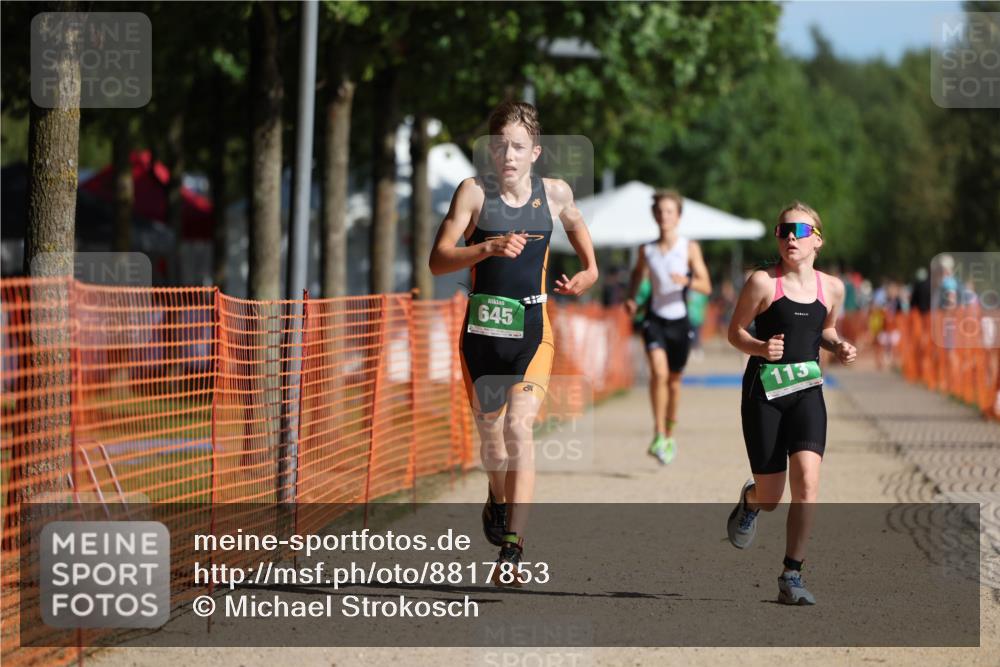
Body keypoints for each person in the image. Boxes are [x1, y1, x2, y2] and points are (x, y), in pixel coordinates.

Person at [428, 101, 598, 584]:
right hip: (481, 335)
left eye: (518, 147)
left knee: (519, 430)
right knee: (493, 445)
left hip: (532, 331)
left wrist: (588, 271)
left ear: (535, 152)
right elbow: (438, 261)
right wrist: (487, 247)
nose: (508, 155)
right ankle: (497, 499)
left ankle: (512, 549)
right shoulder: (473, 194)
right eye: (500, 145)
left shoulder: (556, 193)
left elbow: (583, 239)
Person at [725, 201, 857, 605]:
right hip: (764, 393)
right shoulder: (763, 282)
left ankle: (791, 574)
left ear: (817, 239)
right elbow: (735, 333)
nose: (789, 238)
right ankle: (750, 502)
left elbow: (826, 329)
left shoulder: (832, 287)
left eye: (798, 231)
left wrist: (839, 346)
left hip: (806, 393)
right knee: (771, 497)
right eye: (782, 231)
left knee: (808, 484)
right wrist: (761, 347)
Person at [625, 190, 711, 464]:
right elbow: (638, 274)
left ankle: (670, 434)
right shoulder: (646, 249)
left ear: (678, 216)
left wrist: (686, 281)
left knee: (674, 382)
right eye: (660, 212)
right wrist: (631, 298)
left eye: (669, 212)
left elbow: (705, 285)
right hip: (655, 320)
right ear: (655, 215)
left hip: (679, 321)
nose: (664, 216)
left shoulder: (689, 248)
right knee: (658, 374)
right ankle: (658, 431)